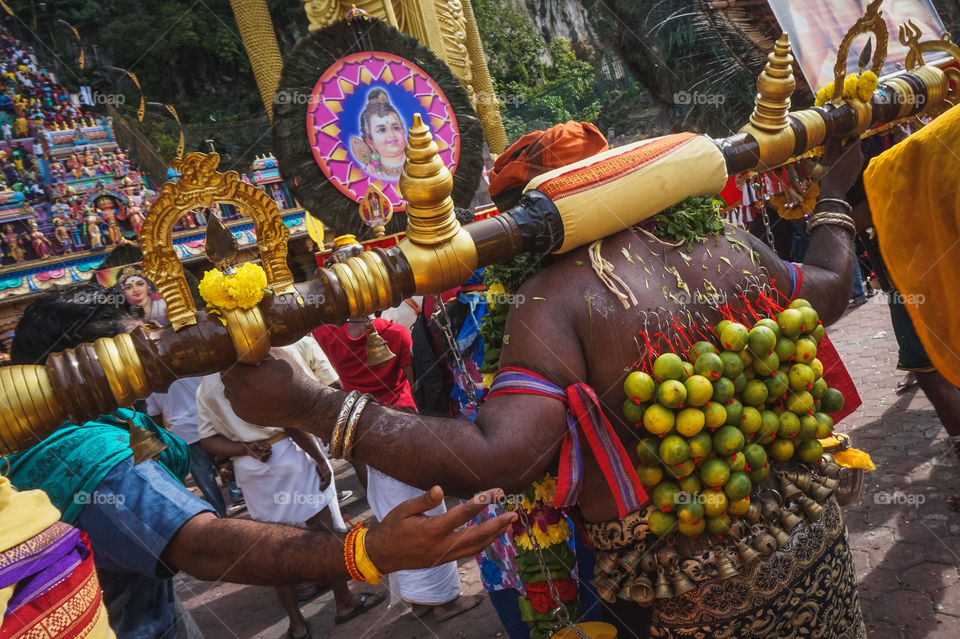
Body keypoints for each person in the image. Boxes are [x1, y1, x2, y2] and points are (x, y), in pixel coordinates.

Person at [221, 124, 869, 637]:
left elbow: (502, 455)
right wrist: (835, 193)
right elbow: (832, 289)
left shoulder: (554, 298)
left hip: (696, 593)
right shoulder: (728, 242)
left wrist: (310, 403)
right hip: (814, 538)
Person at [3, 284, 516, 639]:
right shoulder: (82, 451)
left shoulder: (87, 423)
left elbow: (177, 454)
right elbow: (202, 546)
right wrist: (371, 549)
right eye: (136, 347)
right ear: (78, 365)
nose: (156, 357)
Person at [313, 245, 482, 622]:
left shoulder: (327, 335)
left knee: (390, 512)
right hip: (403, 427)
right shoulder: (392, 333)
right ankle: (444, 602)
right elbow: (412, 384)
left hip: (363, 432)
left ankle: (421, 600)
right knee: (427, 509)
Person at [196, 337, 385, 639]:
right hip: (289, 454)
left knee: (270, 544)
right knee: (325, 533)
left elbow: (206, 439)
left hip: (252, 468)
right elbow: (288, 421)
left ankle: (297, 624)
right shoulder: (251, 366)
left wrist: (244, 449)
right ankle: (344, 601)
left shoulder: (205, 383)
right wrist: (319, 460)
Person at [145, 377, 228, 516]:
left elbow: (154, 414)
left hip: (185, 433)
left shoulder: (151, 383)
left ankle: (220, 513)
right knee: (227, 459)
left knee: (204, 478)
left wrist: (165, 440)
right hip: (210, 423)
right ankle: (236, 494)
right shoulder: (189, 368)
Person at [352, 88, 406, 181]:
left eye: (396, 127)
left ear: (403, 131)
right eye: (381, 130)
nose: (391, 134)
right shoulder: (370, 174)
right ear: (370, 141)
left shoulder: (422, 161)